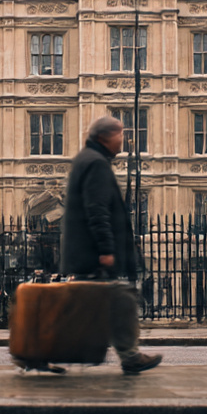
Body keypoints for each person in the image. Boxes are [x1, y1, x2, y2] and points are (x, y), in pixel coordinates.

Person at [60, 115, 162, 374]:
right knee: (122, 300)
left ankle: (38, 349)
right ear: (104, 137)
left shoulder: (87, 159)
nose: (124, 140)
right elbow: (97, 210)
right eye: (120, 135)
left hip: (85, 251)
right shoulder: (96, 164)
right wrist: (106, 249)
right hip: (93, 253)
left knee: (94, 308)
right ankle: (129, 356)